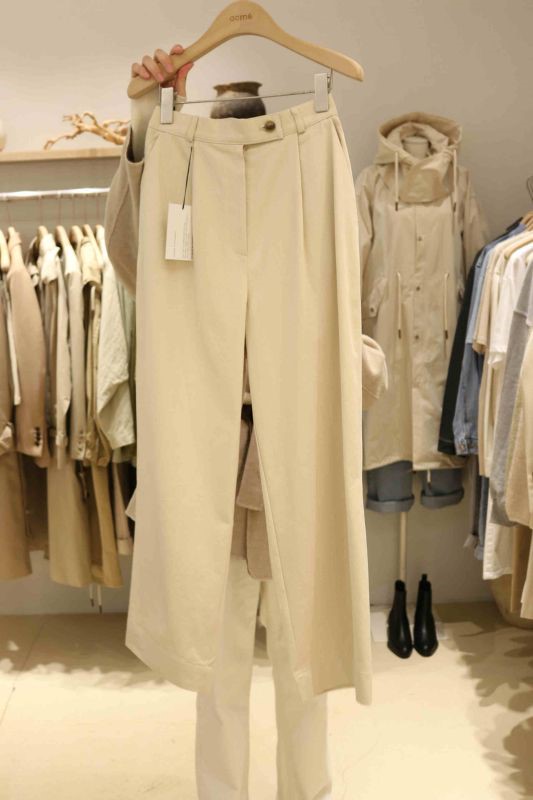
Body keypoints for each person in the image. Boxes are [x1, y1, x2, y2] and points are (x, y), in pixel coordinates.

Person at [126, 44, 334, 800]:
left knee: (304, 652)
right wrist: (148, 123)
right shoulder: (181, 200)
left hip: (292, 453)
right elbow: (132, 255)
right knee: (218, 659)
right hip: (211, 457)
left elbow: (342, 319)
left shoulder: (308, 187)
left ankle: (305, 789)